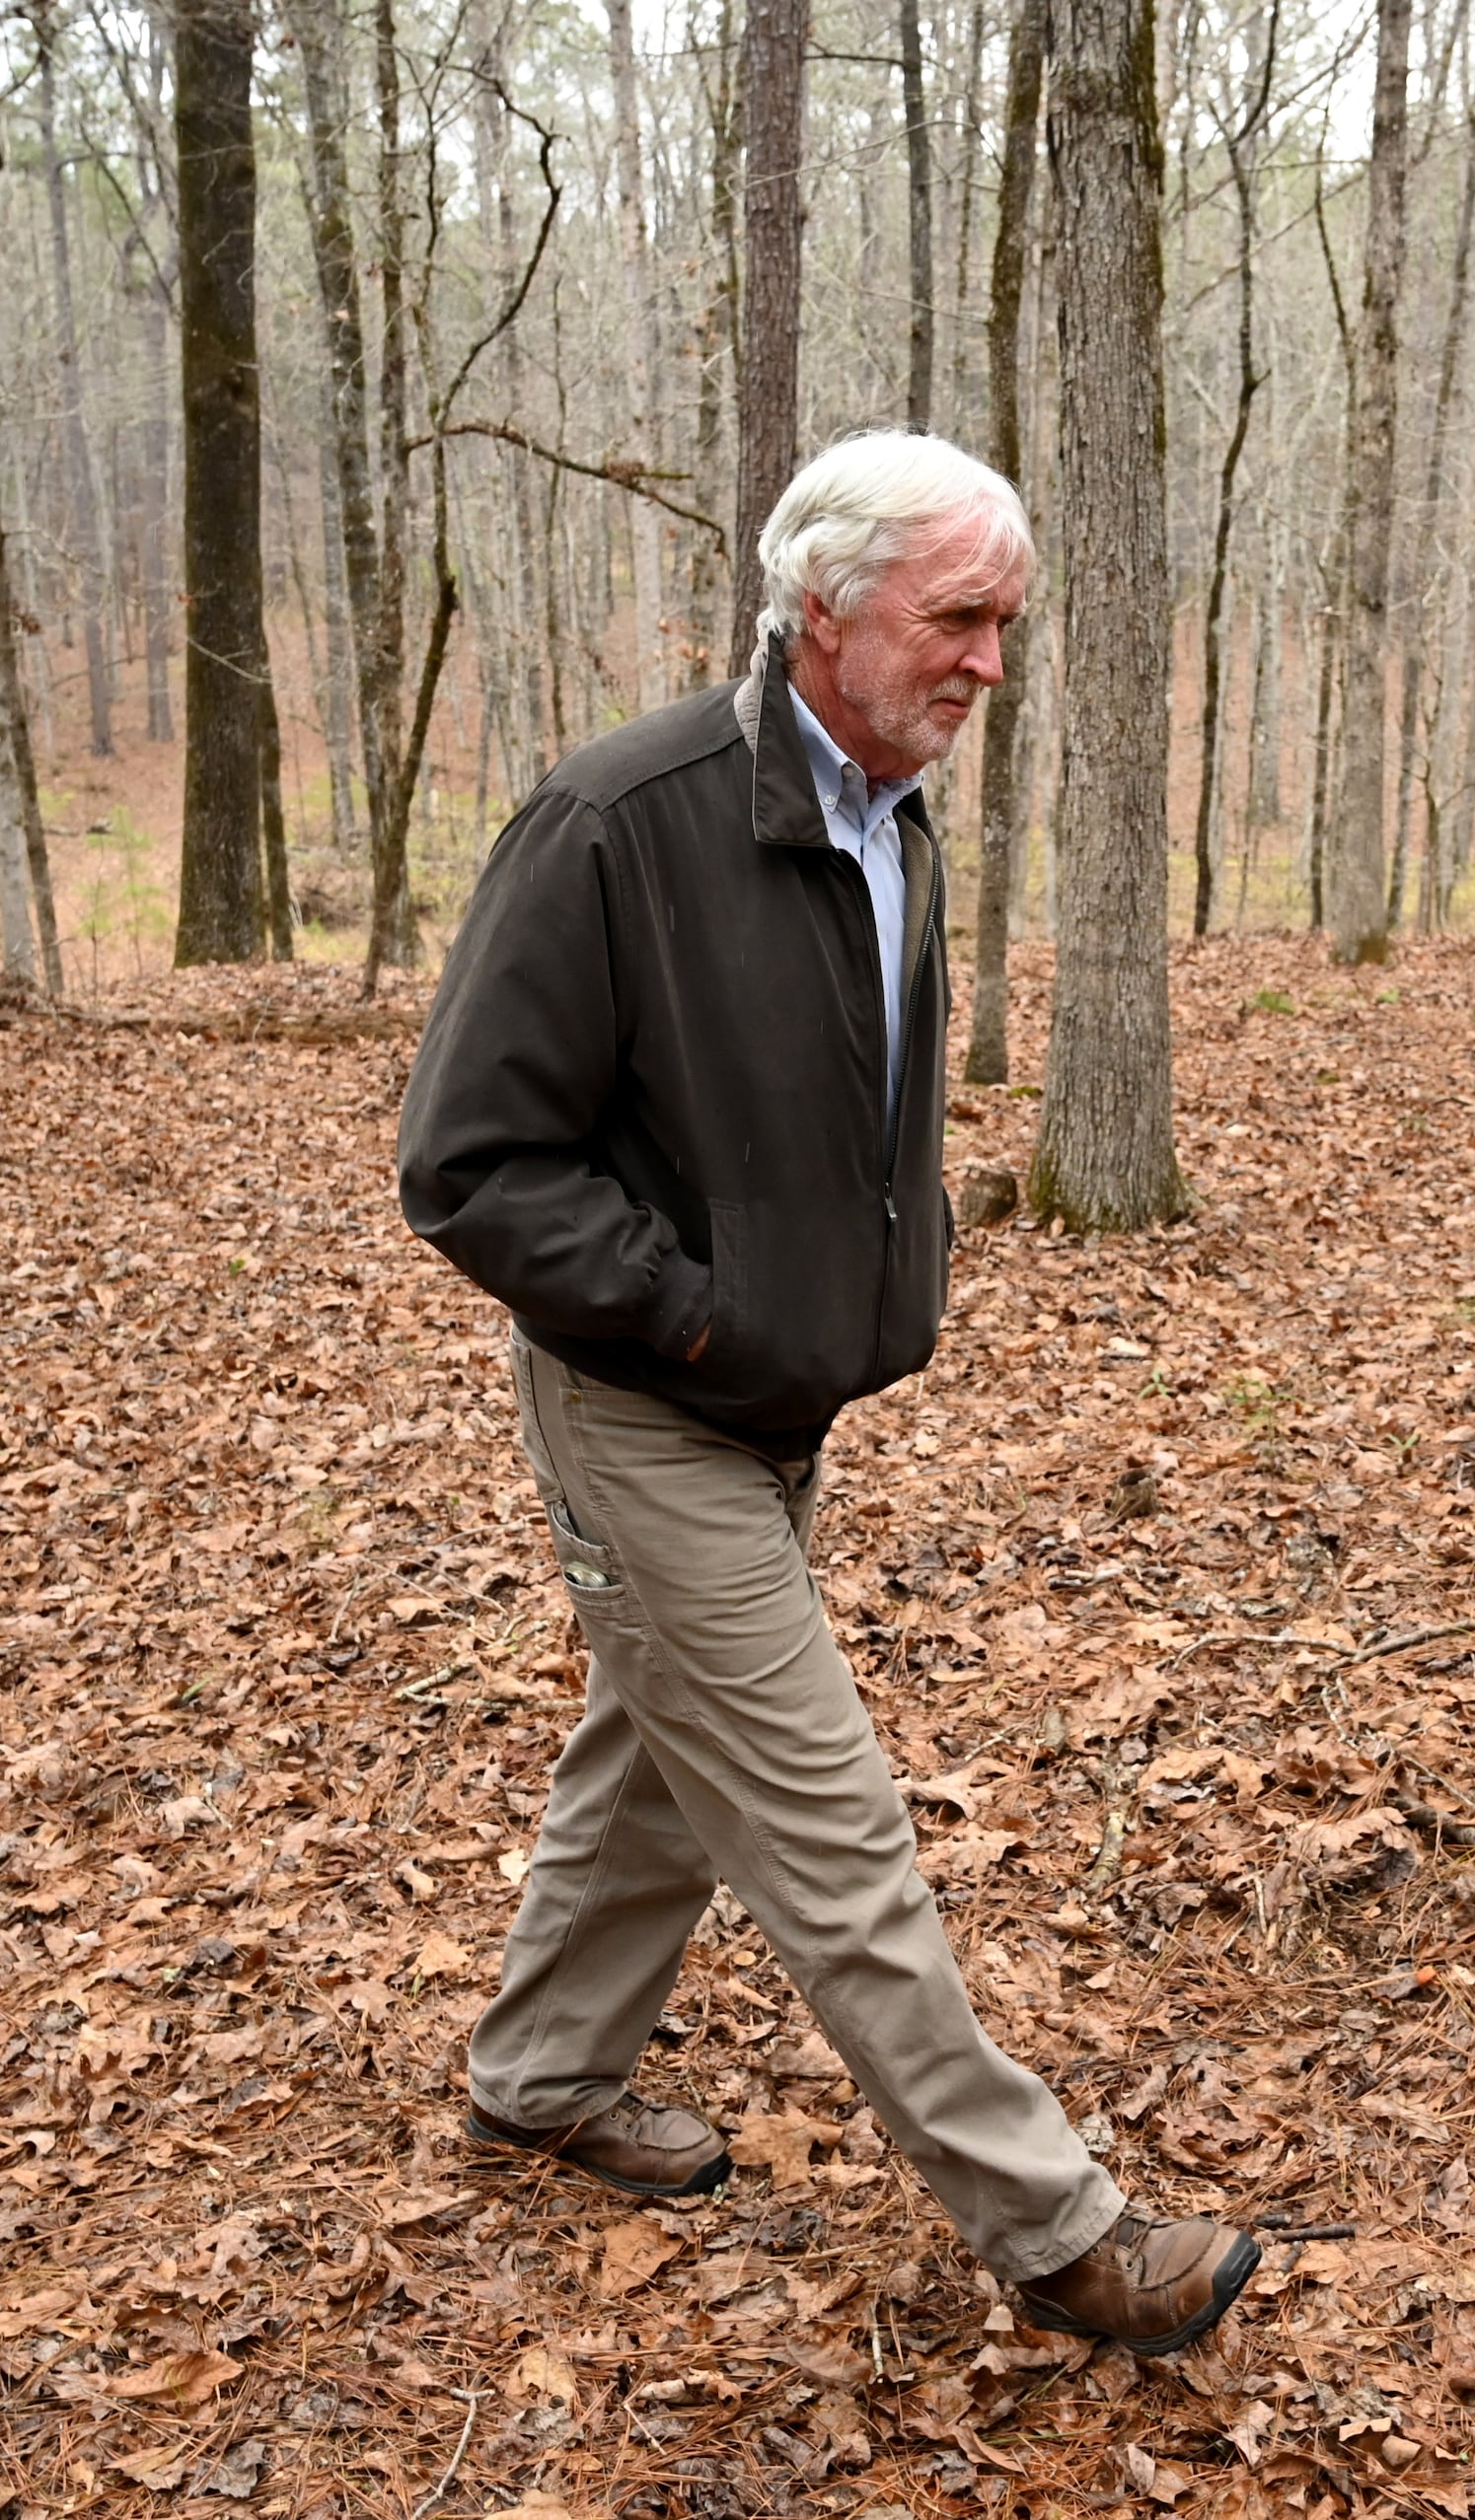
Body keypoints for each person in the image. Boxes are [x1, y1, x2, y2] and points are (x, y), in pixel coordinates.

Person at [393, 432, 1265, 2356]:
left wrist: (881, 1274)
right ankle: (1055, 2230)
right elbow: (469, 1161)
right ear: (824, 603)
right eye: (957, 618)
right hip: (648, 1409)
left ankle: (540, 2072)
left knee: (656, 1771)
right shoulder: (618, 822)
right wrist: (700, 1322)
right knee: (831, 1828)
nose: (988, 665)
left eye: (1004, 624)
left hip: (787, 1405)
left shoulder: (896, 817)